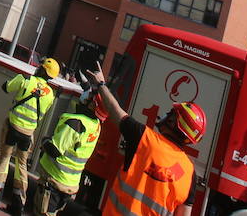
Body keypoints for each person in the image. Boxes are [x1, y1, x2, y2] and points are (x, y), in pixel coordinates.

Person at [83, 65, 205, 216]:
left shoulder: (144, 138)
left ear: (174, 123)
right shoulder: (190, 173)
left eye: (172, 113)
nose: (167, 114)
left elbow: (114, 110)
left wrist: (101, 85)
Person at [0, 57, 60, 211]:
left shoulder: (25, 80)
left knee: (4, 159)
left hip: (12, 128)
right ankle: (18, 205)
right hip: (28, 135)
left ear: (42, 69)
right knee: (22, 166)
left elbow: (6, 87)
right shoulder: (50, 95)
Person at [33, 89, 105, 216]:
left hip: (55, 179)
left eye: (90, 97)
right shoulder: (95, 125)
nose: (86, 96)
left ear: (93, 105)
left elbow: (54, 150)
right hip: (70, 184)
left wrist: (45, 141)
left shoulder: (76, 123)